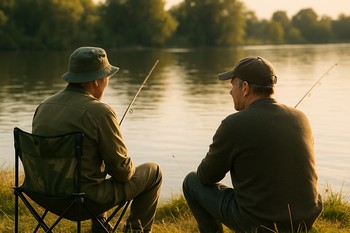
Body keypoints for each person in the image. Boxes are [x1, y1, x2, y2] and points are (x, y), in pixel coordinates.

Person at [182, 56, 323, 233]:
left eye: (232, 85)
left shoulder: (233, 125)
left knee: (191, 181)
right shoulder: (301, 118)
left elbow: (206, 177)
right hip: (305, 219)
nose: (230, 91)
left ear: (245, 88)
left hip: (259, 223)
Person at [32, 46, 162, 233]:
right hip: (83, 202)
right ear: (95, 81)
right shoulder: (101, 112)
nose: (107, 82)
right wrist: (127, 164)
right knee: (154, 172)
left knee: (92, 163)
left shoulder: (43, 107)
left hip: (44, 195)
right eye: (107, 77)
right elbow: (122, 172)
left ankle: (101, 227)